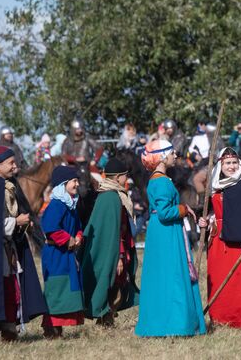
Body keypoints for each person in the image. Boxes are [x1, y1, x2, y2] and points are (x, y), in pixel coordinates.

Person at [0, 147, 46, 340]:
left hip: (8, 247)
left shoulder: (6, 185)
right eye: (11, 163)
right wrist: (16, 222)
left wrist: (21, 225)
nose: (15, 166)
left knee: (12, 287)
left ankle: (8, 326)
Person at [135, 139, 206, 337]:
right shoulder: (160, 181)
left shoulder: (161, 180)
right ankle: (174, 324)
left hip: (164, 232)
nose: (175, 155)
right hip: (166, 234)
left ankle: (169, 322)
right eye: (172, 152)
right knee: (172, 275)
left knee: (167, 275)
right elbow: (165, 213)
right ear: (161, 156)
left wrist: (183, 208)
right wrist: (182, 209)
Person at [197, 147, 241, 328]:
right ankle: (220, 318)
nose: (231, 167)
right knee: (218, 278)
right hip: (217, 242)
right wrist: (205, 222)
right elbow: (212, 213)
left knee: (240, 279)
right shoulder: (214, 186)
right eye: (227, 163)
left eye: (234, 163)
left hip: (238, 240)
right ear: (220, 165)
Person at [80, 158, 139, 326]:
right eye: (124, 176)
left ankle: (107, 317)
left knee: (118, 283)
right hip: (114, 249)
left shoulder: (111, 195)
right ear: (118, 177)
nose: (126, 180)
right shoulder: (112, 198)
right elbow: (113, 231)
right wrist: (119, 255)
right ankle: (105, 317)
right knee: (113, 283)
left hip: (119, 247)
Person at [40, 166, 84, 338]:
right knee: (56, 288)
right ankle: (50, 327)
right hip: (55, 254)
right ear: (63, 184)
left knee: (67, 288)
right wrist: (68, 239)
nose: (77, 184)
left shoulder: (71, 205)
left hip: (67, 253)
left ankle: (59, 326)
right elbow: (50, 228)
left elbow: (78, 226)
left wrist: (79, 236)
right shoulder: (57, 205)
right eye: (74, 181)